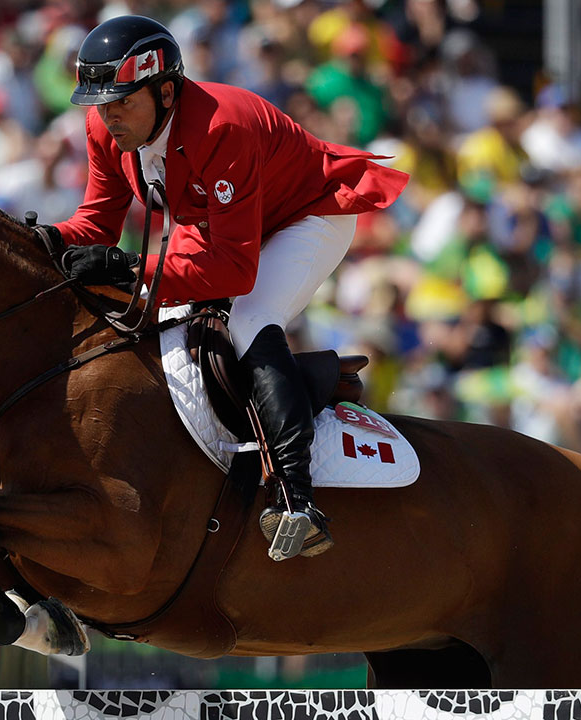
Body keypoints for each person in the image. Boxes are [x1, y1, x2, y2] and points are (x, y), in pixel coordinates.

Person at [40, 15, 409, 560]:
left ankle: (296, 498)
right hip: (227, 224)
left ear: (166, 92)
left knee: (248, 318)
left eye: (122, 101)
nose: (108, 115)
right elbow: (93, 225)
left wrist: (128, 269)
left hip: (307, 217)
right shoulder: (105, 129)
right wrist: (36, 241)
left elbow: (236, 271)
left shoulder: (221, 128)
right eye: (100, 103)